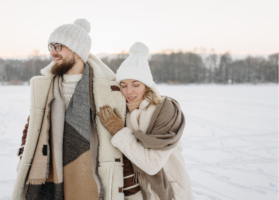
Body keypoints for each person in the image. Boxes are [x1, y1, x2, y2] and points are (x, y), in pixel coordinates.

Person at [11, 19, 127, 200]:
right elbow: (33, 125)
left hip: (94, 181)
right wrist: (24, 153)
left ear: (77, 49)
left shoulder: (108, 90)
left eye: (58, 46)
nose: (51, 52)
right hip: (47, 179)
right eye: (50, 46)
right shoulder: (45, 87)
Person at [97, 42, 194, 200]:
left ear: (147, 85)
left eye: (136, 85)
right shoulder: (122, 111)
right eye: (123, 85)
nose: (129, 92)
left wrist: (119, 132)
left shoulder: (165, 109)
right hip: (139, 192)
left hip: (170, 190)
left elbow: (152, 164)